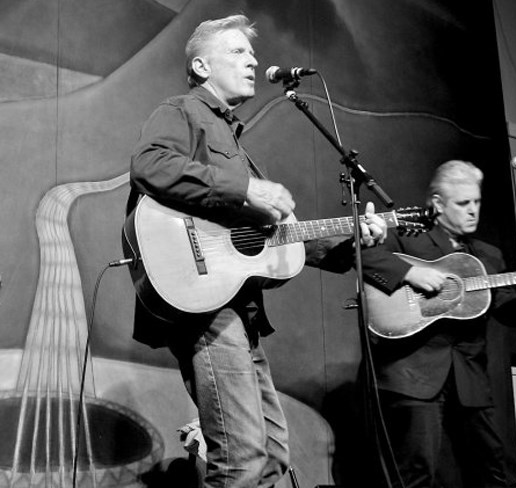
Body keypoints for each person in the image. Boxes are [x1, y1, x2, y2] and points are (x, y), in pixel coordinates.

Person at [125, 15, 387, 488]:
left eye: (252, 53)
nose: (254, 61)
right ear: (202, 66)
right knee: (242, 458)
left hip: (239, 312)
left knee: (271, 455)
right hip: (206, 309)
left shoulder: (237, 145)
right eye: (238, 53)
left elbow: (276, 239)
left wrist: (352, 239)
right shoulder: (182, 111)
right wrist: (243, 188)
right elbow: (150, 165)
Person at [360, 160, 516, 487]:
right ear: (437, 204)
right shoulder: (408, 234)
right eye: (464, 203)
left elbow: (504, 306)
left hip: (470, 376)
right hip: (413, 372)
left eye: (476, 202)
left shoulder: (489, 255)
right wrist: (411, 273)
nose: (473, 210)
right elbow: (365, 259)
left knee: (492, 471)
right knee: (416, 473)